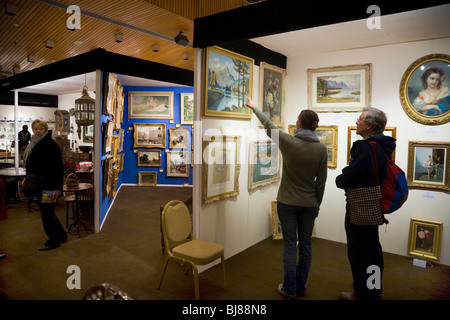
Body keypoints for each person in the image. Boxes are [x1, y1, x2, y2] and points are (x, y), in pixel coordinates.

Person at [245, 97, 328, 300]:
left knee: (290, 246)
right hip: (310, 204)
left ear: (300, 122)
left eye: (298, 118)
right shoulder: (321, 149)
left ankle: (289, 290)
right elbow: (321, 182)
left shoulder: (289, 142)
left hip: (287, 203)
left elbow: (268, 124)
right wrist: (317, 204)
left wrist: (254, 107)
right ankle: (301, 286)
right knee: (306, 245)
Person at [335, 107, 395, 300]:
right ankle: (374, 289)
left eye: (360, 119)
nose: (356, 121)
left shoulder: (365, 147)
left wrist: (341, 178)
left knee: (359, 252)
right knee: (372, 249)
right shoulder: (382, 145)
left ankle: (361, 294)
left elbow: (351, 177)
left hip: (360, 204)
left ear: (369, 125)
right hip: (373, 202)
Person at [23, 119, 67, 251]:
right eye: (35, 128)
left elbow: (58, 168)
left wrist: (57, 188)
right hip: (39, 184)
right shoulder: (35, 143)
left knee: (47, 213)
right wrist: (27, 177)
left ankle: (54, 241)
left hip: (48, 186)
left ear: (45, 129)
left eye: (40, 128)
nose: (37, 131)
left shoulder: (50, 144)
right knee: (48, 211)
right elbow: (33, 165)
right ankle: (61, 235)